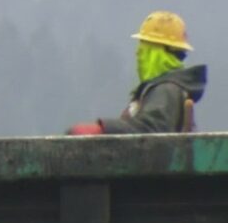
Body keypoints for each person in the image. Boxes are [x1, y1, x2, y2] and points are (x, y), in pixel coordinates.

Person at [68, 11, 207, 135]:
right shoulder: (165, 89)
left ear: (157, 52)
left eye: (144, 47)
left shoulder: (166, 89)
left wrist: (104, 128)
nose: (138, 53)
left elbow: (150, 130)